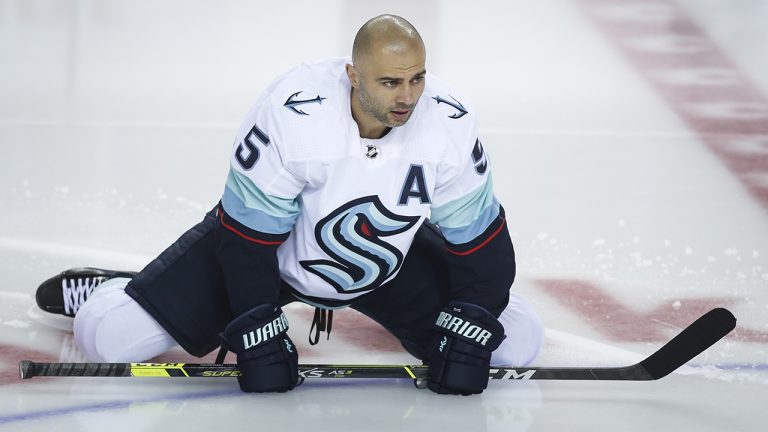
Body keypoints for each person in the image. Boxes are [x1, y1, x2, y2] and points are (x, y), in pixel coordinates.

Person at [35, 14, 544, 395]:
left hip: (387, 261)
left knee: (516, 341)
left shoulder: (448, 120)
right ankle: (126, 289)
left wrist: (473, 318)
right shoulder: (294, 111)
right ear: (353, 74)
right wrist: (257, 323)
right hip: (274, 260)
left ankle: (154, 291)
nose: (407, 97)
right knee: (109, 337)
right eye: (390, 82)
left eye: (417, 79)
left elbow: (481, 240)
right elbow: (244, 242)